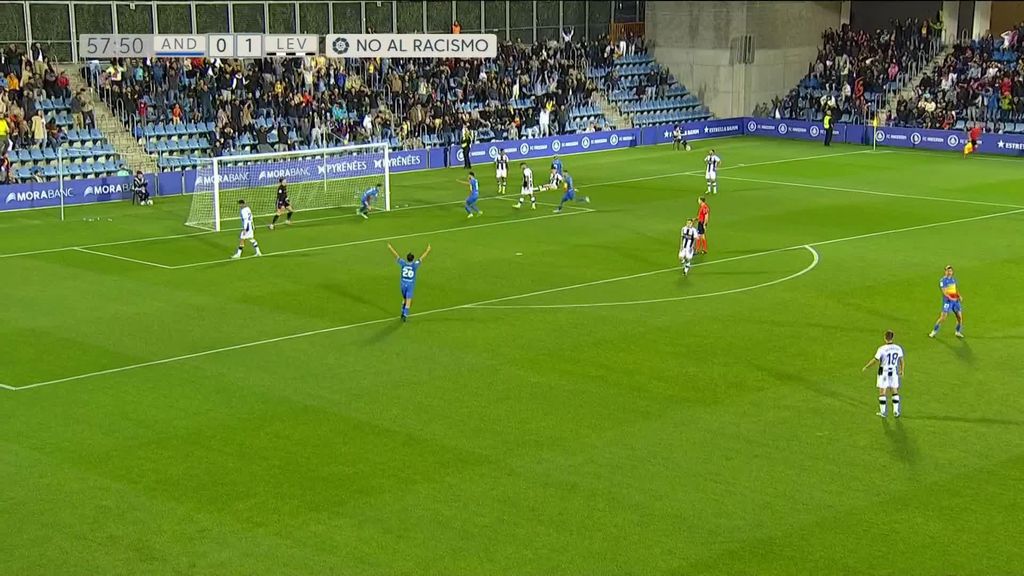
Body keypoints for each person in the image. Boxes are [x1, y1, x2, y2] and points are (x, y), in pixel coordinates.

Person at [862, 330, 905, 418]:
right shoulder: (898, 348)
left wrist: (866, 366)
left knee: (882, 391)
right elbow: (901, 360)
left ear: (885, 338)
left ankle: (883, 412)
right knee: (894, 390)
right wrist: (902, 370)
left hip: (884, 372)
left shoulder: (882, 349)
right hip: (893, 371)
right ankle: (896, 411)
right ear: (892, 337)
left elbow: (875, 360)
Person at [387, 242, 432, 322]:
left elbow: (396, 256)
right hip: (410, 285)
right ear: (413, 259)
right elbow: (422, 258)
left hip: (403, 284)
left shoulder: (403, 264)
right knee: (409, 301)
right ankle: (404, 315)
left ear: (407, 258)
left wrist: (390, 248)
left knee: (404, 299)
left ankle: (402, 311)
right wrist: (427, 250)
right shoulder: (414, 265)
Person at [929, 265, 964, 338]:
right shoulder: (943, 281)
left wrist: (959, 295)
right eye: (948, 271)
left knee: (959, 317)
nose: (949, 272)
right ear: (945, 272)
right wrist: (952, 298)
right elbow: (945, 293)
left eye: (950, 271)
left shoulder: (953, 279)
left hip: (955, 301)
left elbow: (955, 289)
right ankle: (934, 331)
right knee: (943, 318)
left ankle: (957, 332)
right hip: (948, 301)